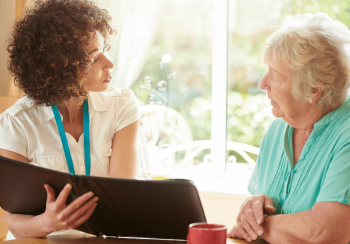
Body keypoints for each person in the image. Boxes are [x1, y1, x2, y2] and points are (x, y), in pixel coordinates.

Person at [0, 0, 140, 240]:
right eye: (94, 58)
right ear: (58, 67)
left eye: (105, 49)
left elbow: (123, 199)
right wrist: (47, 222)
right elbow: (14, 220)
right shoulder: (16, 123)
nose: (110, 63)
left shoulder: (122, 105)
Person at [228, 13, 350, 244]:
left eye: (275, 75)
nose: (263, 84)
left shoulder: (347, 134)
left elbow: (327, 233)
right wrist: (253, 206)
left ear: (315, 89)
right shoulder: (278, 129)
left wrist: (263, 225)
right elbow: (268, 203)